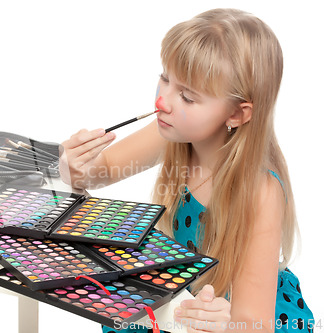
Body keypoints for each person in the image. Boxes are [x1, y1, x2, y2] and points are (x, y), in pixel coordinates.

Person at [59, 8, 314, 333]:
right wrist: (74, 167)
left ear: (237, 114)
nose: (163, 102)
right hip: (182, 295)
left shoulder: (260, 192)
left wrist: (227, 323)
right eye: (165, 78)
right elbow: (102, 171)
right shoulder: (174, 131)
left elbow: (254, 321)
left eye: (188, 97)